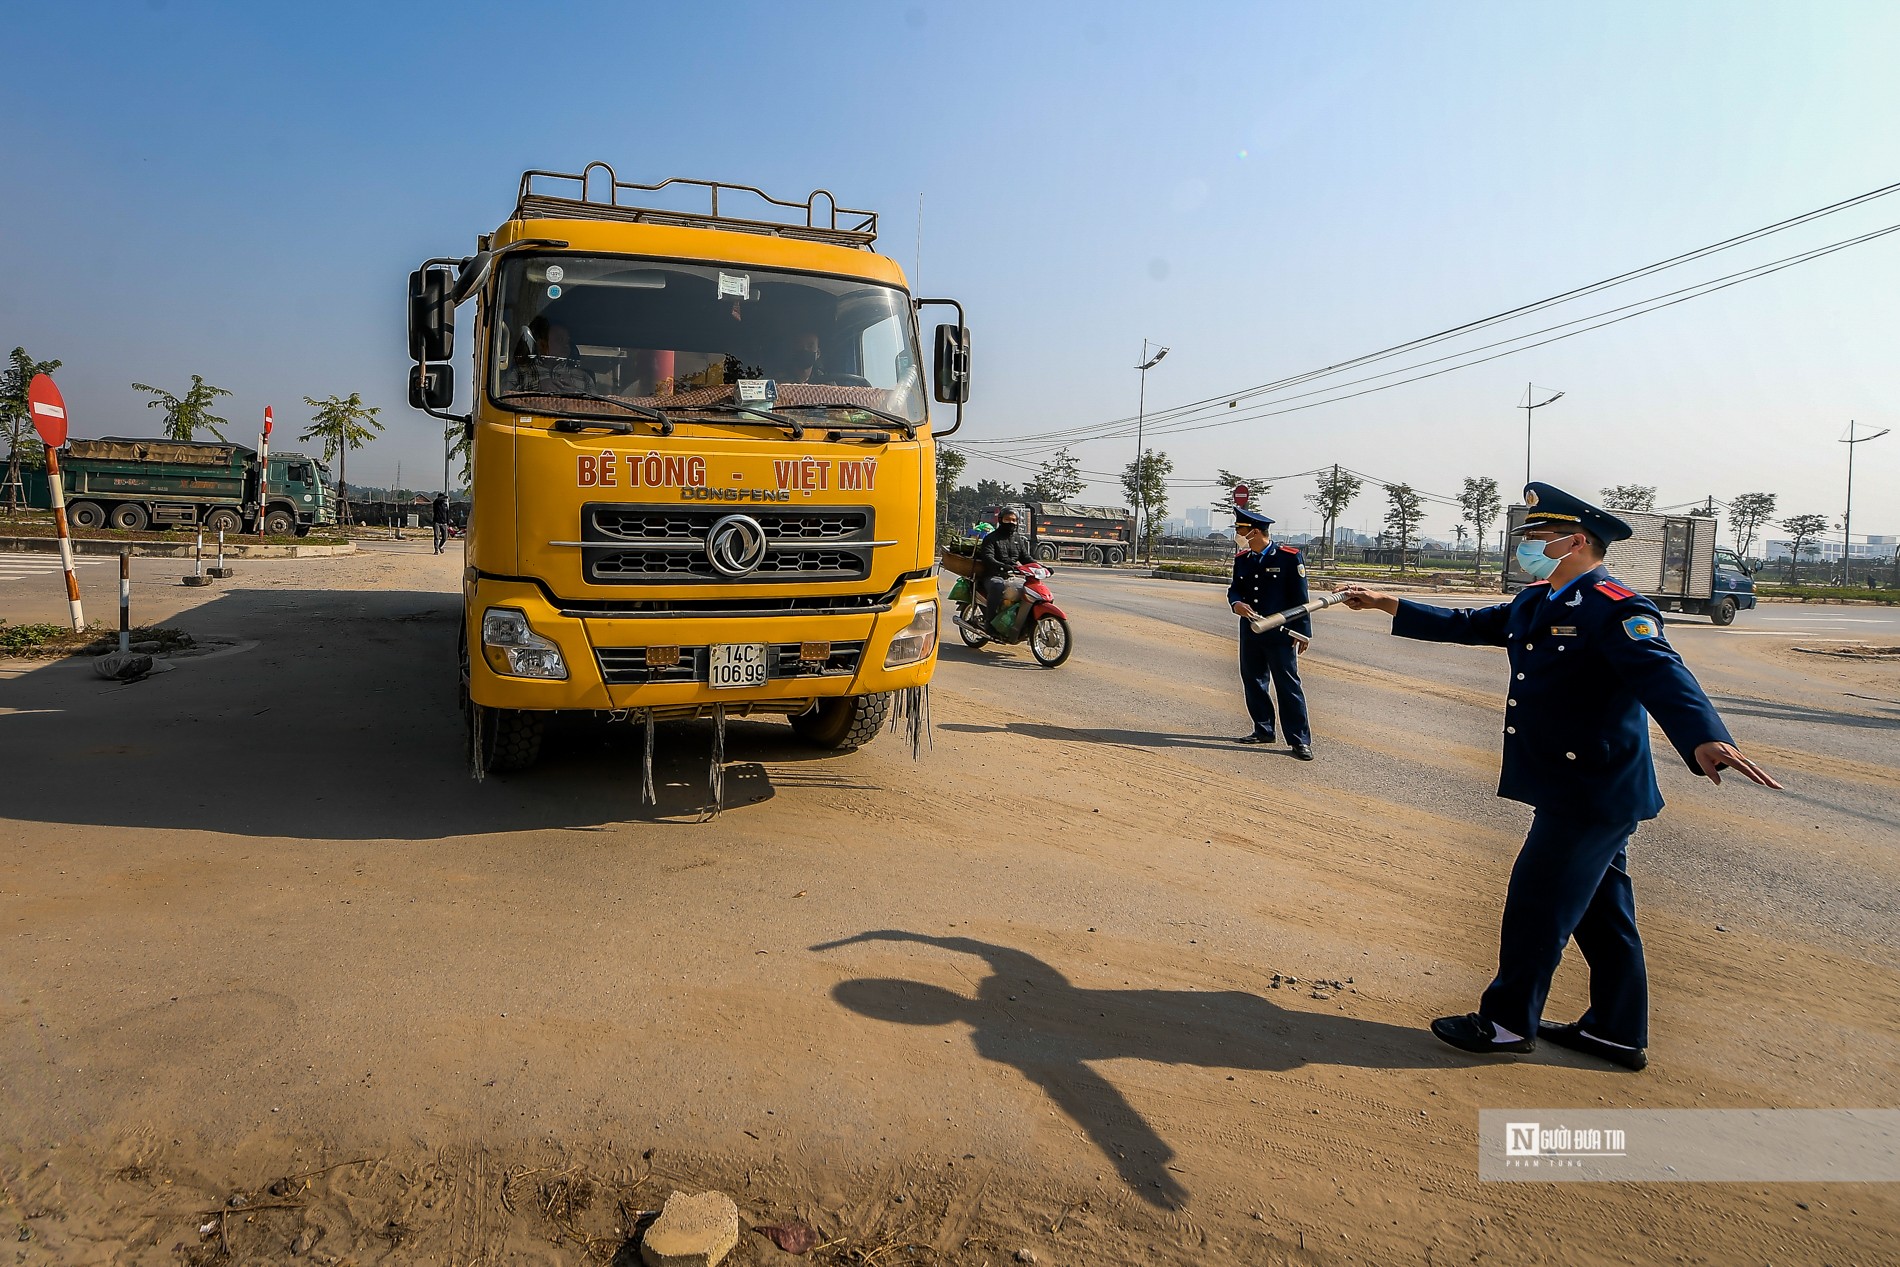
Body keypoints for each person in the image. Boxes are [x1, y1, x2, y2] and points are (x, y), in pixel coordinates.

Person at [1335, 482, 1781, 1070]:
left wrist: (1705, 736)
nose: (1527, 547)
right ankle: (1616, 1032)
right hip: (1575, 788)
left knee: (1537, 905)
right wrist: (1386, 603)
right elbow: (1469, 623)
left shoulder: (1613, 605)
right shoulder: (1537, 600)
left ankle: (1505, 1024)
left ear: (1575, 541)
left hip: (1592, 790)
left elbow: (1663, 675)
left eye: (1539, 538)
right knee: (1603, 916)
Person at [1227, 506, 1314, 760]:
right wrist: (1236, 604)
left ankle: (1299, 740)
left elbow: (1301, 599)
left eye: (1239, 530)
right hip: (1251, 631)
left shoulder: (1288, 557)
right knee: (1253, 681)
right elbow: (1235, 590)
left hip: (1280, 633)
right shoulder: (1242, 559)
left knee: (1288, 685)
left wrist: (1302, 633)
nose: (1237, 533)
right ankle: (1263, 729)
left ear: (1254, 532)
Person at [974, 508, 1034, 630]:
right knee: (997, 585)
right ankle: (989, 622)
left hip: (1012, 576)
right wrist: (1002, 566)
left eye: (1014, 520)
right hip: (992, 575)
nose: (1011, 523)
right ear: (1001, 520)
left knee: (1030, 590)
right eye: (1007, 519)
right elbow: (988, 557)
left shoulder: (1018, 539)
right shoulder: (991, 538)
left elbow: (1026, 558)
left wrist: (1041, 567)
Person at [507, 316, 590, 394]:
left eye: (567, 341)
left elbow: (597, 405)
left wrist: (575, 393)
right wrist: (537, 387)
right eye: (559, 339)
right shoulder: (519, 372)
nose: (566, 345)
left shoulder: (584, 377)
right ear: (541, 344)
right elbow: (503, 396)